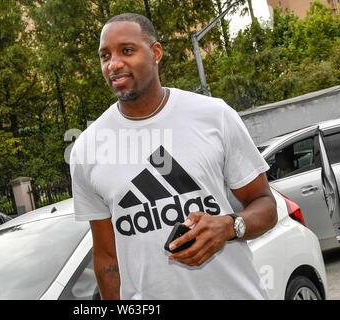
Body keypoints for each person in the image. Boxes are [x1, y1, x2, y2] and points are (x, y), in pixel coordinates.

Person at [69, 13, 277, 300]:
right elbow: (106, 259)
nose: (114, 64)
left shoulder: (214, 116)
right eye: (105, 56)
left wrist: (230, 226)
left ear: (155, 52)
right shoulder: (87, 149)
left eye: (126, 51)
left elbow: (265, 206)